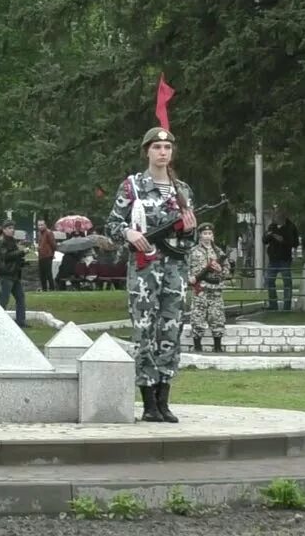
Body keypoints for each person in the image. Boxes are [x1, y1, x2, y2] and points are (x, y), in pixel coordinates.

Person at [105, 127, 196, 423]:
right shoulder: (132, 187)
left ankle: (163, 398)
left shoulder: (182, 190)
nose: (162, 152)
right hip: (145, 269)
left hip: (176, 269)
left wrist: (191, 229)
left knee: (170, 329)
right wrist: (130, 232)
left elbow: (191, 240)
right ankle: (147, 402)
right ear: (147, 151)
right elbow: (112, 225)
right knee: (144, 330)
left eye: (167, 148)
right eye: (156, 147)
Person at [187, 223, 229, 352]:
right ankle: (197, 346)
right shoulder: (193, 252)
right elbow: (187, 268)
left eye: (209, 233)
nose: (207, 236)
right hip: (200, 289)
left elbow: (227, 270)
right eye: (205, 233)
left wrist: (221, 269)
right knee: (198, 317)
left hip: (215, 289)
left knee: (217, 317)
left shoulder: (218, 252)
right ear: (200, 235)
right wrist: (191, 278)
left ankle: (217, 346)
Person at [264, 207, 300, 311]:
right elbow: (265, 240)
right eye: (274, 216)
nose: (274, 218)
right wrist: (268, 235)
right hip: (273, 259)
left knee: (287, 283)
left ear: (283, 217)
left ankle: (287, 306)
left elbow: (295, 243)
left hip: (284, 259)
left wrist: (282, 240)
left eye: (276, 216)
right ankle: (273, 305)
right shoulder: (272, 226)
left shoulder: (291, 227)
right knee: (270, 281)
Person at [0, 220, 29, 327]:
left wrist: (22, 260)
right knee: (4, 300)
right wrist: (21, 252)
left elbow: (14, 257)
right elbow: (6, 256)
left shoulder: (12, 240)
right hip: (6, 274)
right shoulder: (1, 241)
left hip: (14, 273)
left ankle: (21, 321)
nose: (12, 230)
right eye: (9, 228)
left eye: (12, 228)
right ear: (4, 229)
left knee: (20, 297)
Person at [36, 219, 57, 292]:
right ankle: (44, 288)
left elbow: (53, 244)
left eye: (42, 225)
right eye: (39, 225)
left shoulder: (49, 232)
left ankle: (52, 288)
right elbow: (40, 243)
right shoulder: (39, 233)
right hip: (41, 255)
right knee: (42, 274)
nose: (40, 226)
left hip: (48, 255)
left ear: (45, 225)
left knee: (48, 273)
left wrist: (52, 253)